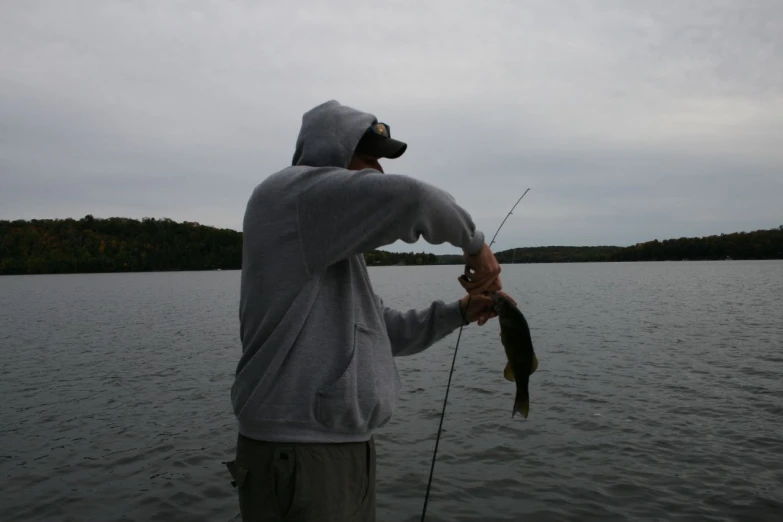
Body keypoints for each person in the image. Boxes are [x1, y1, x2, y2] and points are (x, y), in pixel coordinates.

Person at [226, 100, 504, 521]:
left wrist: (460, 312)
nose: (380, 173)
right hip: (299, 452)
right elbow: (412, 199)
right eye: (370, 158)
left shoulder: (333, 249)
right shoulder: (290, 198)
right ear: (333, 156)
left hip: (338, 449)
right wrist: (476, 247)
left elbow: (384, 333)